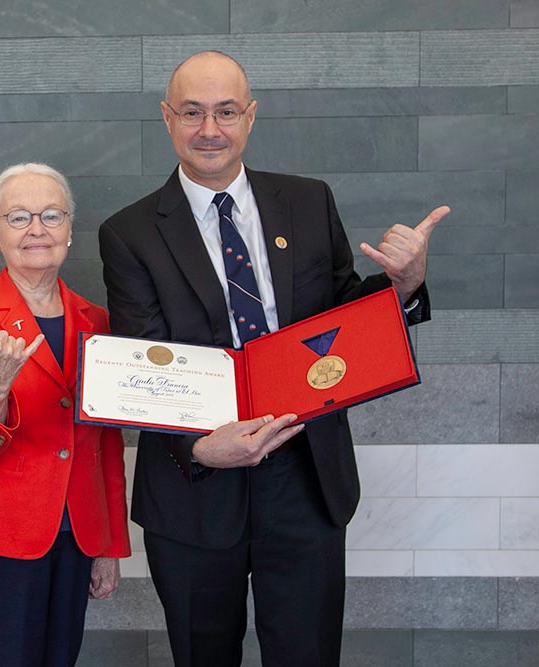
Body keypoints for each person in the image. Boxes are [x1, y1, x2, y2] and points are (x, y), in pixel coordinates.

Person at [98, 51, 448, 666]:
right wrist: (203, 448)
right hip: (195, 489)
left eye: (226, 112)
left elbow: (342, 319)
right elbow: (140, 370)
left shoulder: (308, 202)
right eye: (193, 112)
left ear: (251, 117)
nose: (211, 129)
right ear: (167, 118)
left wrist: (403, 286)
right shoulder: (128, 234)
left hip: (305, 475)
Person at [0, 163, 131, 667]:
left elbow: (105, 443)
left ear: (69, 230)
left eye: (51, 215)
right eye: (19, 217)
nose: (37, 229)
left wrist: (109, 544)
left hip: (77, 533)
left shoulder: (98, 321)